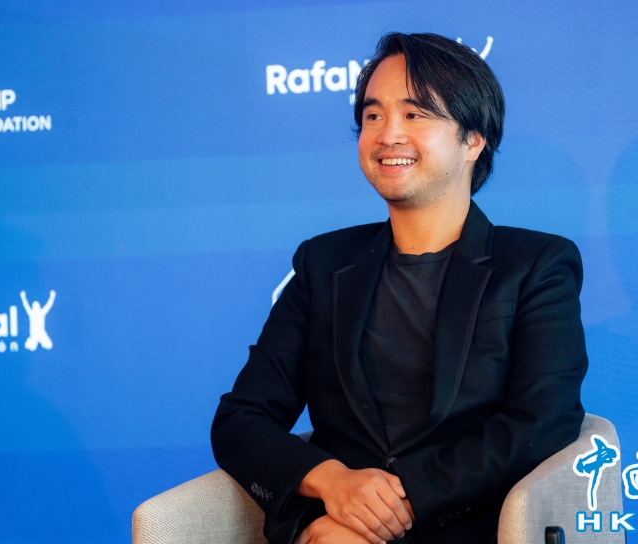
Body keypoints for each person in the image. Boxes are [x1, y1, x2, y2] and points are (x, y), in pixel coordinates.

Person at [211, 32, 587, 544]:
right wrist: (332, 485)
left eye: (414, 114)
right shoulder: (324, 263)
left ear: (473, 139)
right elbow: (242, 418)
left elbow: (540, 422)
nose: (388, 134)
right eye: (373, 116)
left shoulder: (535, 264)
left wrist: (394, 508)